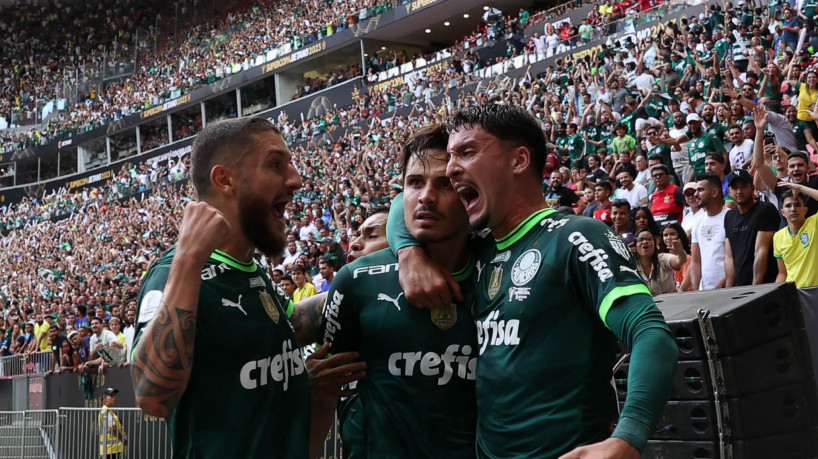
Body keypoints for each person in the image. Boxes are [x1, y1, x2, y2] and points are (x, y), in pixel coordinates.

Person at [390, 105, 677, 458]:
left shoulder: (576, 236)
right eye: (450, 157)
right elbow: (400, 206)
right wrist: (409, 254)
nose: (451, 170)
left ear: (519, 160)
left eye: (467, 152)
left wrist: (628, 437)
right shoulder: (479, 249)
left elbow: (650, 332)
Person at [130, 117, 364, 458]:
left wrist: (367, 277)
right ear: (226, 179)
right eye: (275, 164)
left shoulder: (251, 272)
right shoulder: (174, 273)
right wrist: (188, 260)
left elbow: (295, 324)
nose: (295, 180)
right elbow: (152, 398)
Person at [321, 124, 478, 457]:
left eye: (444, 183)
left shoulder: (502, 268)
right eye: (415, 182)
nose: (426, 197)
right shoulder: (355, 279)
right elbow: (328, 389)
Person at [724, 170, 780, 287]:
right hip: (740, 287)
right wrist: (728, 291)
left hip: (765, 286)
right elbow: (729, 257)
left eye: (744, 186)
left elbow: (760, 251)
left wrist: (755, 290)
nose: (739, 191)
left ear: (753, 188)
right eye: (735, 188)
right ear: (729, 191)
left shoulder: (765, 209)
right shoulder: (729, 216)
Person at [774, 183, 818, 287]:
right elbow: (782, 273)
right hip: (794, 294)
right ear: (782, 212)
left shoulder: (814, 223)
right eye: (788, 206)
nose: (793, 209)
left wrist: (800, 188)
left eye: (797, 205)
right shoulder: (778, 236)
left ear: (805, 210)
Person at [689, 174, 728, 290]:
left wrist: (727, 281)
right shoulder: (697, 221)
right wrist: (696, 288)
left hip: (729, 289)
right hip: (704, 291)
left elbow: (738, 257)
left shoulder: (730, 217)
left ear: (714, 192)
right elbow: (695, 260)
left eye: (700, 190)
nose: (695, 194)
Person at [634, 228, 687, 295]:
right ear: (635, 245)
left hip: (670, 302)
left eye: (649, 239)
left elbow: (680, 260)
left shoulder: (662, 258)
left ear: (655, 243)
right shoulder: (630, 264)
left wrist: (680, 251)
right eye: (641, 240)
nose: (645, 242)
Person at [98, 388, 127, 459]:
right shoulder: (105, 411)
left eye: (115, 395)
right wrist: (123, 438)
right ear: (105, 399)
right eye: (111, 396)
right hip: (109, 449)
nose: (114, 398)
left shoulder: (109, 410)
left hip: (113, 448)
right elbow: (113, 428)